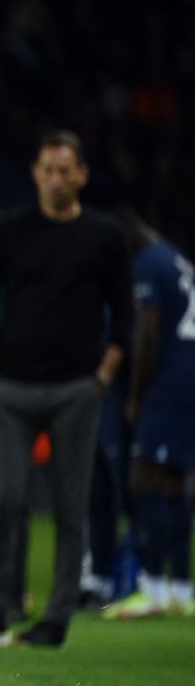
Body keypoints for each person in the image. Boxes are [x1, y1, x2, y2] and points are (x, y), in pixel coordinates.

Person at [0, 129, 133, 648]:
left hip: (74, 390)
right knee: (5, 498)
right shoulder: (12, 232)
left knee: (69, 503)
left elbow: (124, 315)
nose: (57, 179)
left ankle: (56, 618)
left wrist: (101, 378)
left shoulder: (104, 236)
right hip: (9, 388)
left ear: (81, 174)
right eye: (48, 169)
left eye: (66, 170)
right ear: (35, 172)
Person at [103, 208, 195, 619]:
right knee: (175, 482)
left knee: (146, 481)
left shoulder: (146, 264)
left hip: (165, 385)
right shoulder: (175, 257)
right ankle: (181, 587)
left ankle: (153, 585)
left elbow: (147, 333)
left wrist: (136, 395)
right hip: (187, 380)